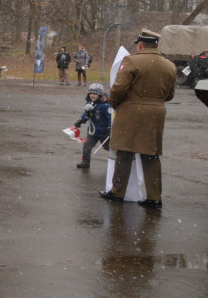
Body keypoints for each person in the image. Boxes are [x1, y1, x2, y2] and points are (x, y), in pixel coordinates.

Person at [99, 29, 176, 209]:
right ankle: (154, 197)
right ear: (156, 45)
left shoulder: (131, 61)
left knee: (124, 151)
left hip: (131, 111)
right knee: (151, 155)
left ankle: (117, 192)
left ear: (140, 45)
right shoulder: (169, 66)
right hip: (156, 112)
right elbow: (170, 94)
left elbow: (118, 89)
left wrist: (116, 104)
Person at [72, 83, 112, 169]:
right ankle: (85, 162)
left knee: (108, 147)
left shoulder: (105, 106)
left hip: (105, 132)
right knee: (87, 147)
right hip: (92, 132)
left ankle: (117, 160)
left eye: (95, 94)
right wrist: (80, 121)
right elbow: (86, 114)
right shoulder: (89, 103)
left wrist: (110, 128)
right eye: (91, 93)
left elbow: (110, 117)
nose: (92, 95)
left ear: (99, 94)